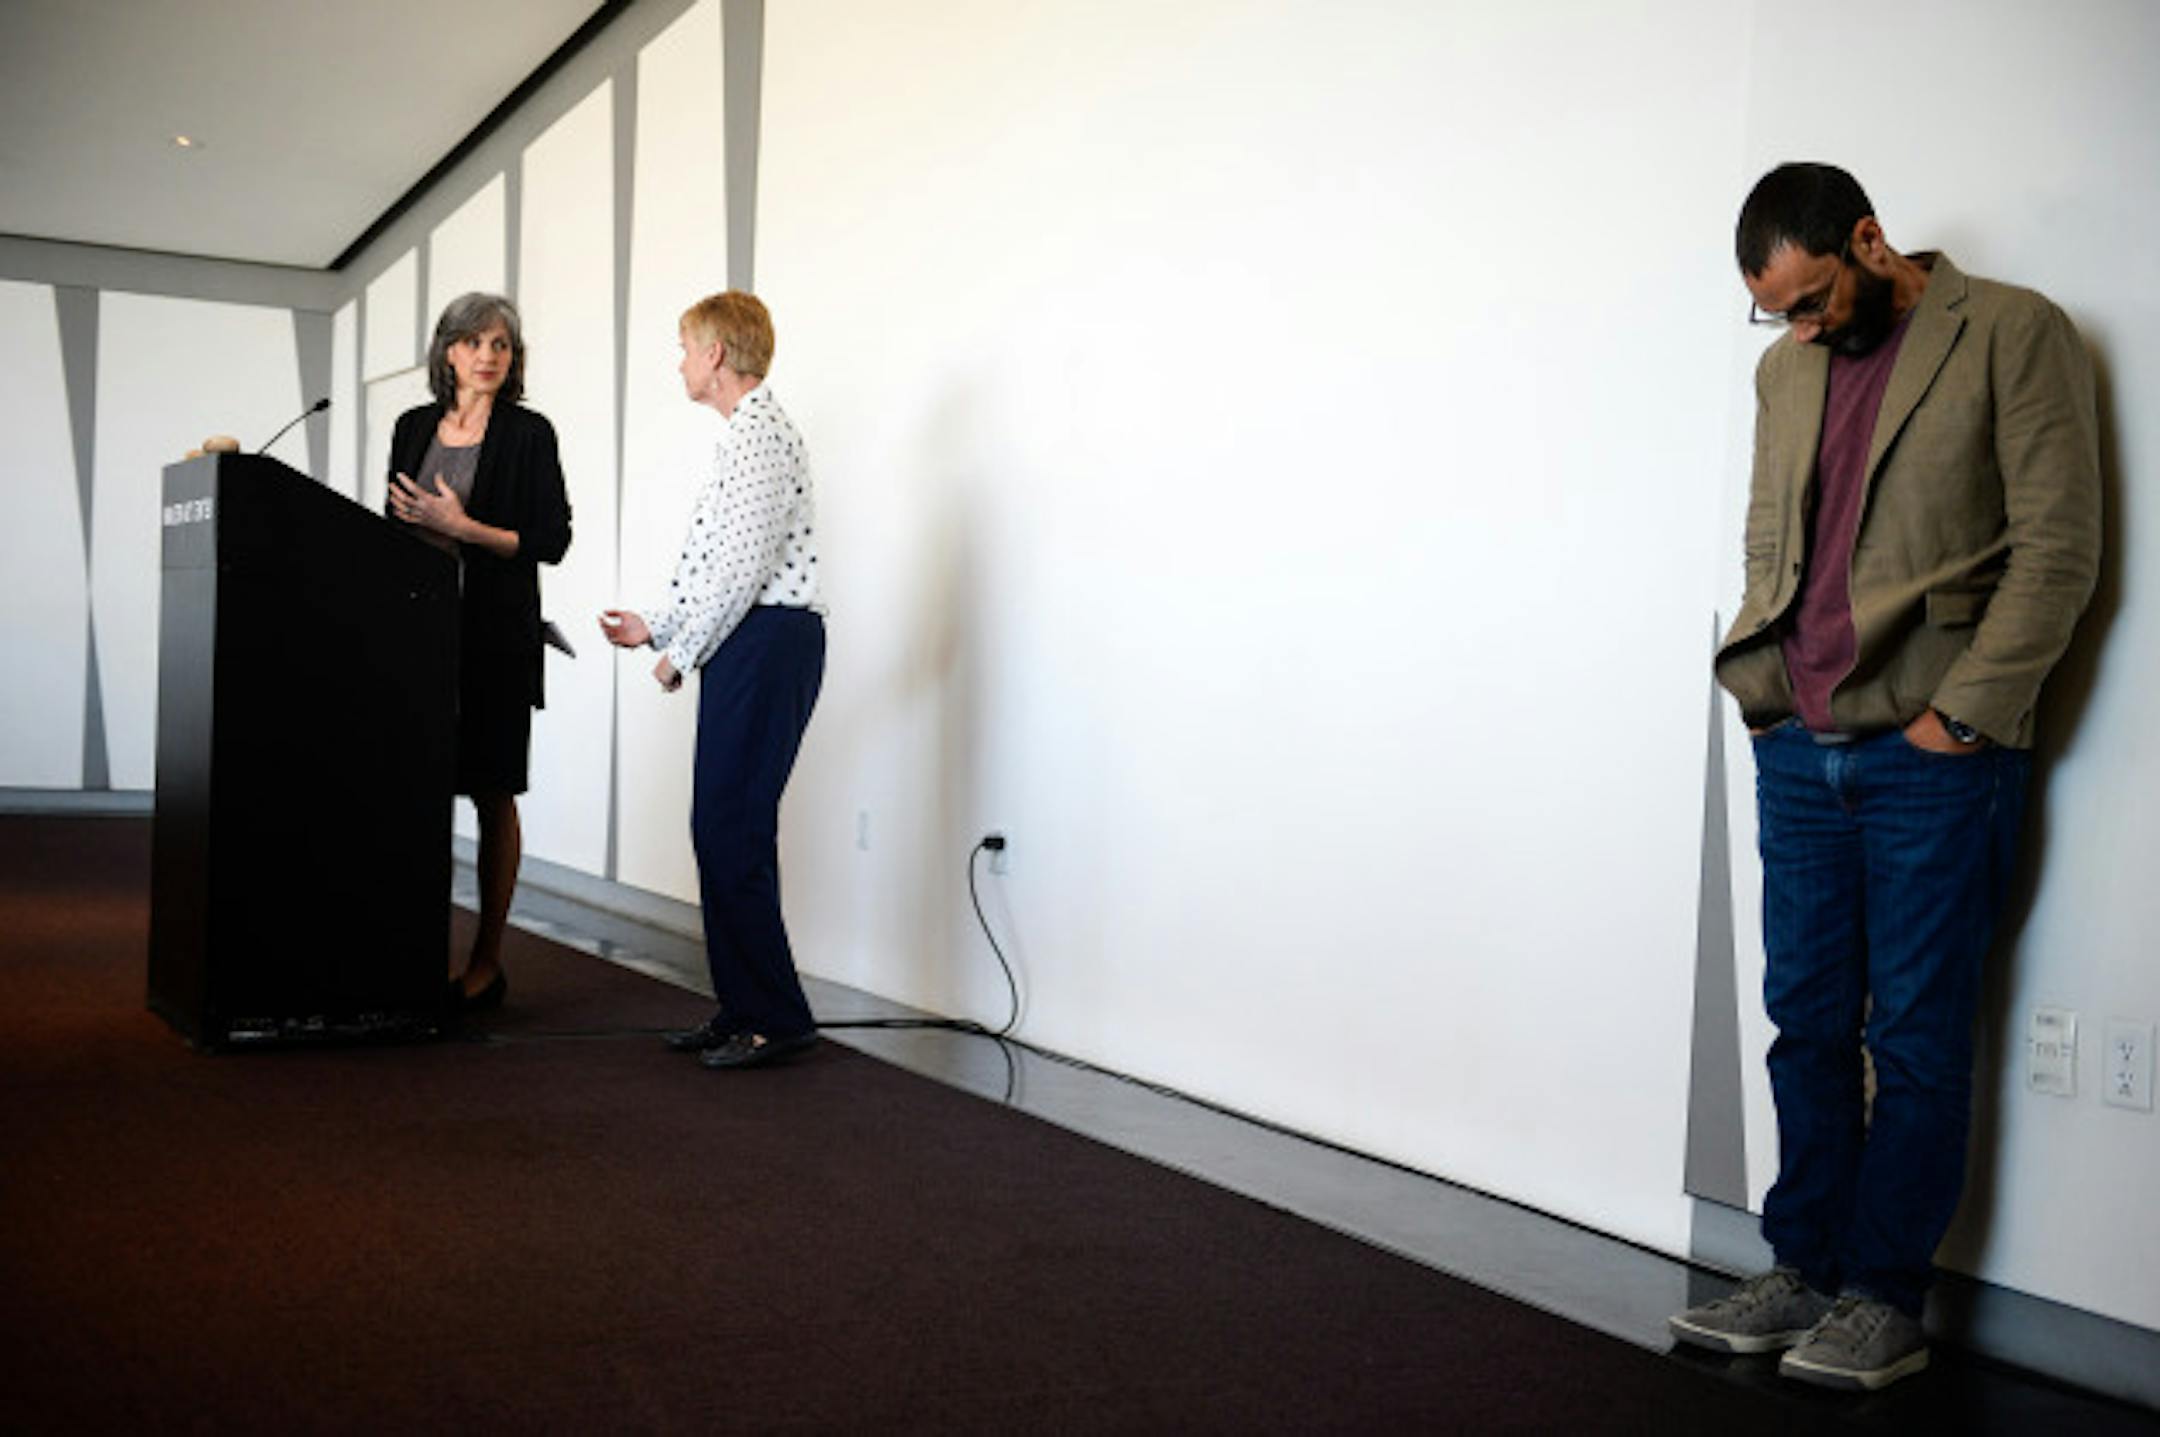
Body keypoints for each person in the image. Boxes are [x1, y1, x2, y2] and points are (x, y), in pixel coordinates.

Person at [1669, 164, 2102, 1391]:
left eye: (1811, 301)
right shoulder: (1783, 371)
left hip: (1931, 751)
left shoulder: (2012, 332)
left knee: (1913, 1032)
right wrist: (1764, 704)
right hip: (1799, 743)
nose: (1798, 330)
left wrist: (1960, 720)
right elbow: (1773, 538)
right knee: (1805, 1021)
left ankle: (1884, 1296)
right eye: (1778, 312)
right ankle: (1798, 1265)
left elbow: (2060, 547)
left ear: (1868, 240)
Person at [600, 290, 825, 1070]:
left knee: (733, 827)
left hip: (766, 640)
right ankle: (744, 1008)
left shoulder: (760, 435)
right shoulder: (743, 436)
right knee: (719, 827)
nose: (681, 361)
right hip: (746, 637)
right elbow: (716, 564)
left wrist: (678, 653)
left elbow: (740, 572)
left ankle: (777, 1017)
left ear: (716, 355)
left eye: (684, 346)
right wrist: (656, 626)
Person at [387, 292, 573, 1014]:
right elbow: (394, 524)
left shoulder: (529, 434)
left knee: (492, 792)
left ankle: (486, 961)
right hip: (416, 640)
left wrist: (462, 526)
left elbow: (551, 541)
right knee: (414, 793)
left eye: (502, 344)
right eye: (476, 342)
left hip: (494, 638)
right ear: (449, 353)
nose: (490, 355)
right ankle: (407, 947)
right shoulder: (411, 427)